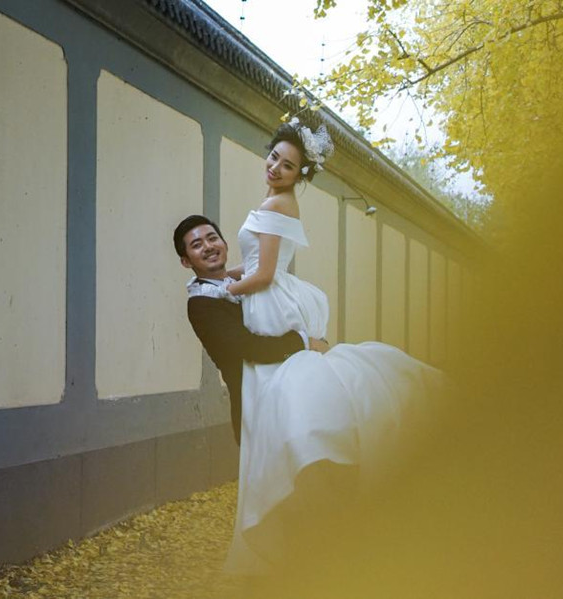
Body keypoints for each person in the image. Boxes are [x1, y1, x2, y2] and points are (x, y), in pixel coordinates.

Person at [213, 118, 442, 574]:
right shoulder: (277, 199)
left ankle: (290, 507)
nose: (276, 167)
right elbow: (254, 264)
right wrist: (224, 275)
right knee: (268, 403)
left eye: (288, 165)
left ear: (301, 174)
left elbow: (264, 274)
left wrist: (220, 292)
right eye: (274, 157)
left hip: (268, 303)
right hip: (265, 295)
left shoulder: (279, 203)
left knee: (270, 405)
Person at [172, 215, 330, 447]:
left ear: (224, 244)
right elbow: (249, 347)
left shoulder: (242, 284)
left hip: (290, 396)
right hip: (257, 407)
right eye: (197, 245)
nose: (208, 247)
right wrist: (305, 342)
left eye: (212, 238)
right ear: (186, 262)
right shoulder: (201, 303)